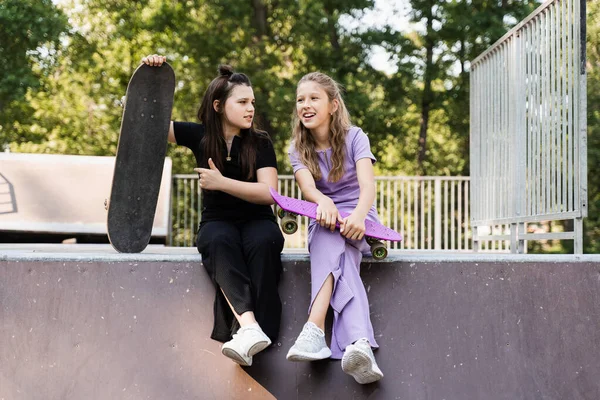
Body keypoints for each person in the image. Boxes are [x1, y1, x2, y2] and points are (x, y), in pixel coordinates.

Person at [141, 55, 285, 367]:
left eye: (253, 102)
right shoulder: (199, 135)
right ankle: (249, 328)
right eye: (242, 102)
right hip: (218, 221)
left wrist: (222, 182)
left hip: (257, 218)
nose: (251, 109)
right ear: (219, 106)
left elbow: (269, 195)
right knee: (218, 242)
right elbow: (144, 118)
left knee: (265, 242)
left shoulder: (260, 142)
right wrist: (149, 76)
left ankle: (259, 332)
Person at [285, 71, 384, 384]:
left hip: (360, 220)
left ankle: (314, 330)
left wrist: (357, 215)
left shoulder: (355, 137)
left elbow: (368, 186)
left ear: (333, 105)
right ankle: (359, 345)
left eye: (314, 98)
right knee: (337, 250)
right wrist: (323, 202)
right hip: (326, 220)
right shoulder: (297, 147)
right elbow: (309, 191)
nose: (306, 104)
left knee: (335, 239)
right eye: (301, 99)